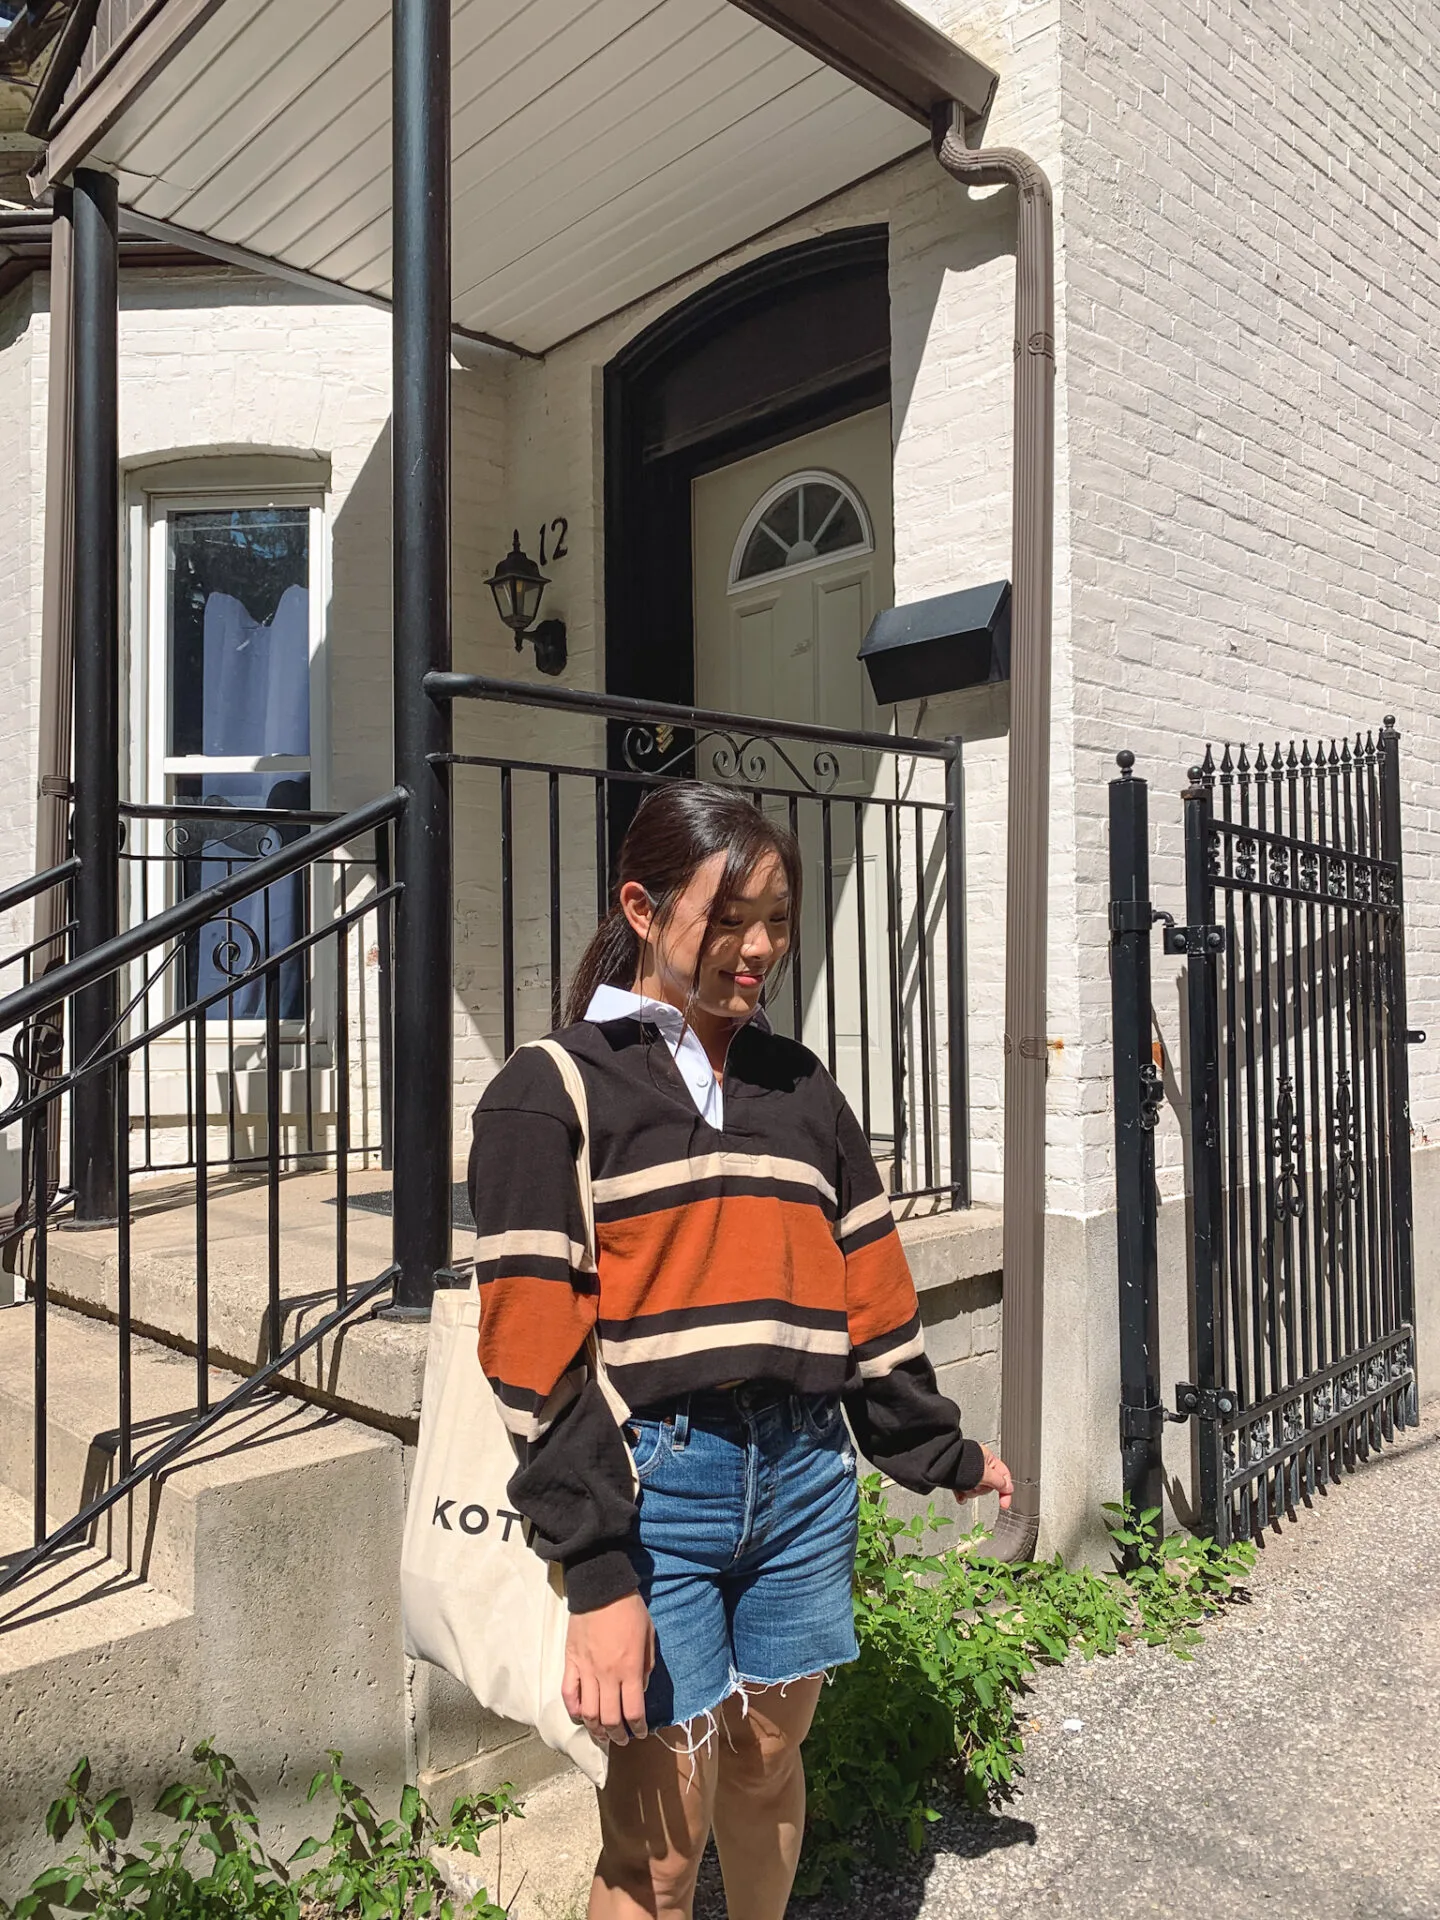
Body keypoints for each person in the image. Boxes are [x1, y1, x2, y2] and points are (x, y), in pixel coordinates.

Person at [469, 782, 1013, 1920]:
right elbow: (531, 1351)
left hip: (808, 1475)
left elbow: (869, 1295)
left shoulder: (800, 1086)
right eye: (730, 917)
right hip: (654, 1484)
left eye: (777, 919)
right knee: (656, 1856)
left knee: (767, 1759)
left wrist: (940, 1451)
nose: (759, 947)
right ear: (643, 906)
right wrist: (601, 1572)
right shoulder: (550, 1090)